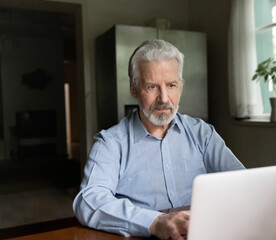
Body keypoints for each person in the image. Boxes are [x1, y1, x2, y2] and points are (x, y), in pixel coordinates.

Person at [73, 39, 245, 240]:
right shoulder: (110, 143)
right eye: (152, 87)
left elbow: (242, 184)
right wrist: (154, 222)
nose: (164, 98)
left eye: (171, 85)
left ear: (180, 87)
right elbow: (88, 200)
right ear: (134, 89)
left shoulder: (203, 133)